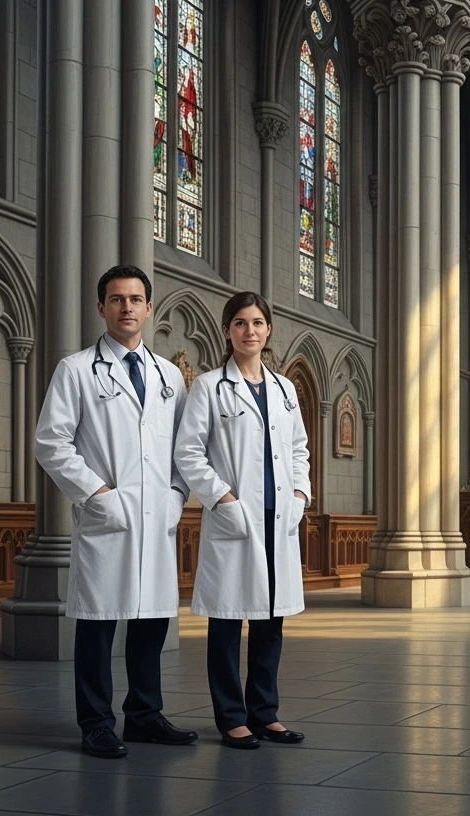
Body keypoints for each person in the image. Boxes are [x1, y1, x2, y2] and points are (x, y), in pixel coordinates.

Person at [34, 266, 194, 759]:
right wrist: (97, 493)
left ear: (150, 308)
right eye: (116, 299)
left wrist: (175, 496)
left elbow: (186, 448)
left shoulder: (170, 375)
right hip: (108, 516)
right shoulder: (77, 369)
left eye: (136, 299)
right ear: (100, 307)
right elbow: (51, 441)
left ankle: (144, 715)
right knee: (98, 623)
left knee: (151, 622)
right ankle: (97, 722)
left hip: (157, 516)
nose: (127, 307)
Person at [174, 291, 310, 749]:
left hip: (279, 518)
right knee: (228, 622)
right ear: (228, 331)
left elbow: (298, 451)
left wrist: (299, 494)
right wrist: (223, 498)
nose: (249, 331)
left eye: (257, 323)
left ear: (268, 329)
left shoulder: (285, 389)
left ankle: (265, 713)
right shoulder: (210, 386)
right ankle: (232, 718)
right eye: (239, 323)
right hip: (237, 518)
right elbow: (189, 452)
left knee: (272, 623)